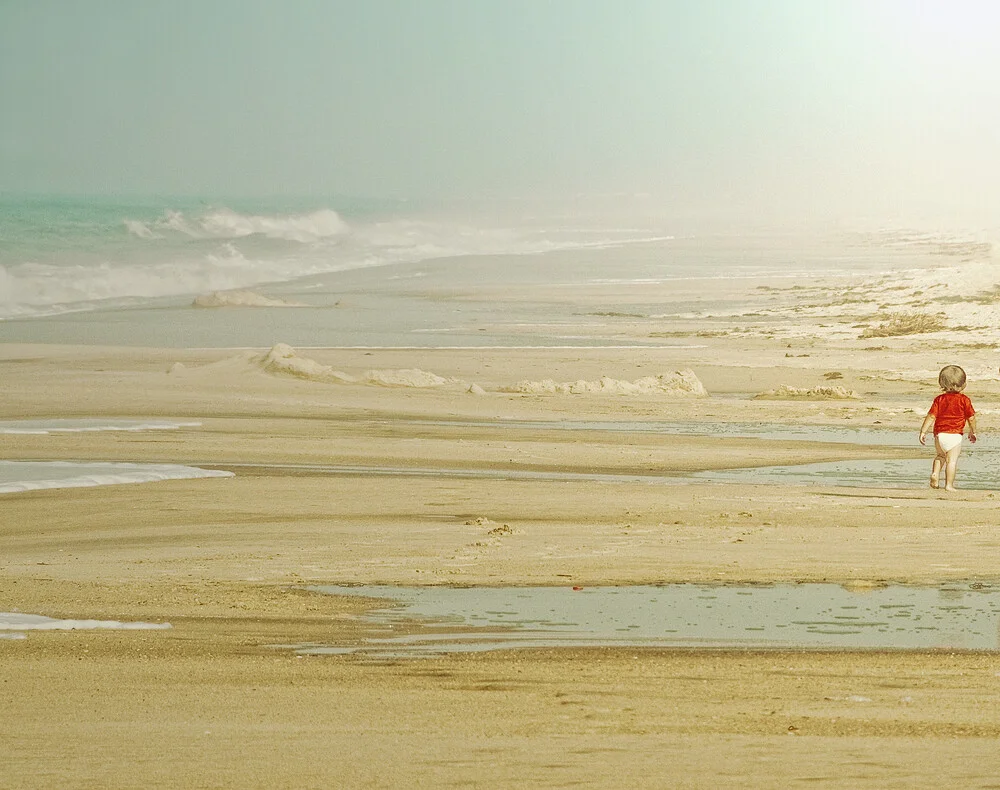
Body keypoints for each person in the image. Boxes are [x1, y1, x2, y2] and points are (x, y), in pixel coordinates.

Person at [918, 365, 977, 491]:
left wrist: (923, 431)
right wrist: (973, 431)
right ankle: (949, 485)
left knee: (940, 456)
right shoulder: (964, 400)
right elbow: (971, 418)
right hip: (955, 436)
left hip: (939, 435)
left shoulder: (939, 399)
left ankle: (935, 473)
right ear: (963, 384)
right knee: (952, 461)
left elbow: (931, 416)